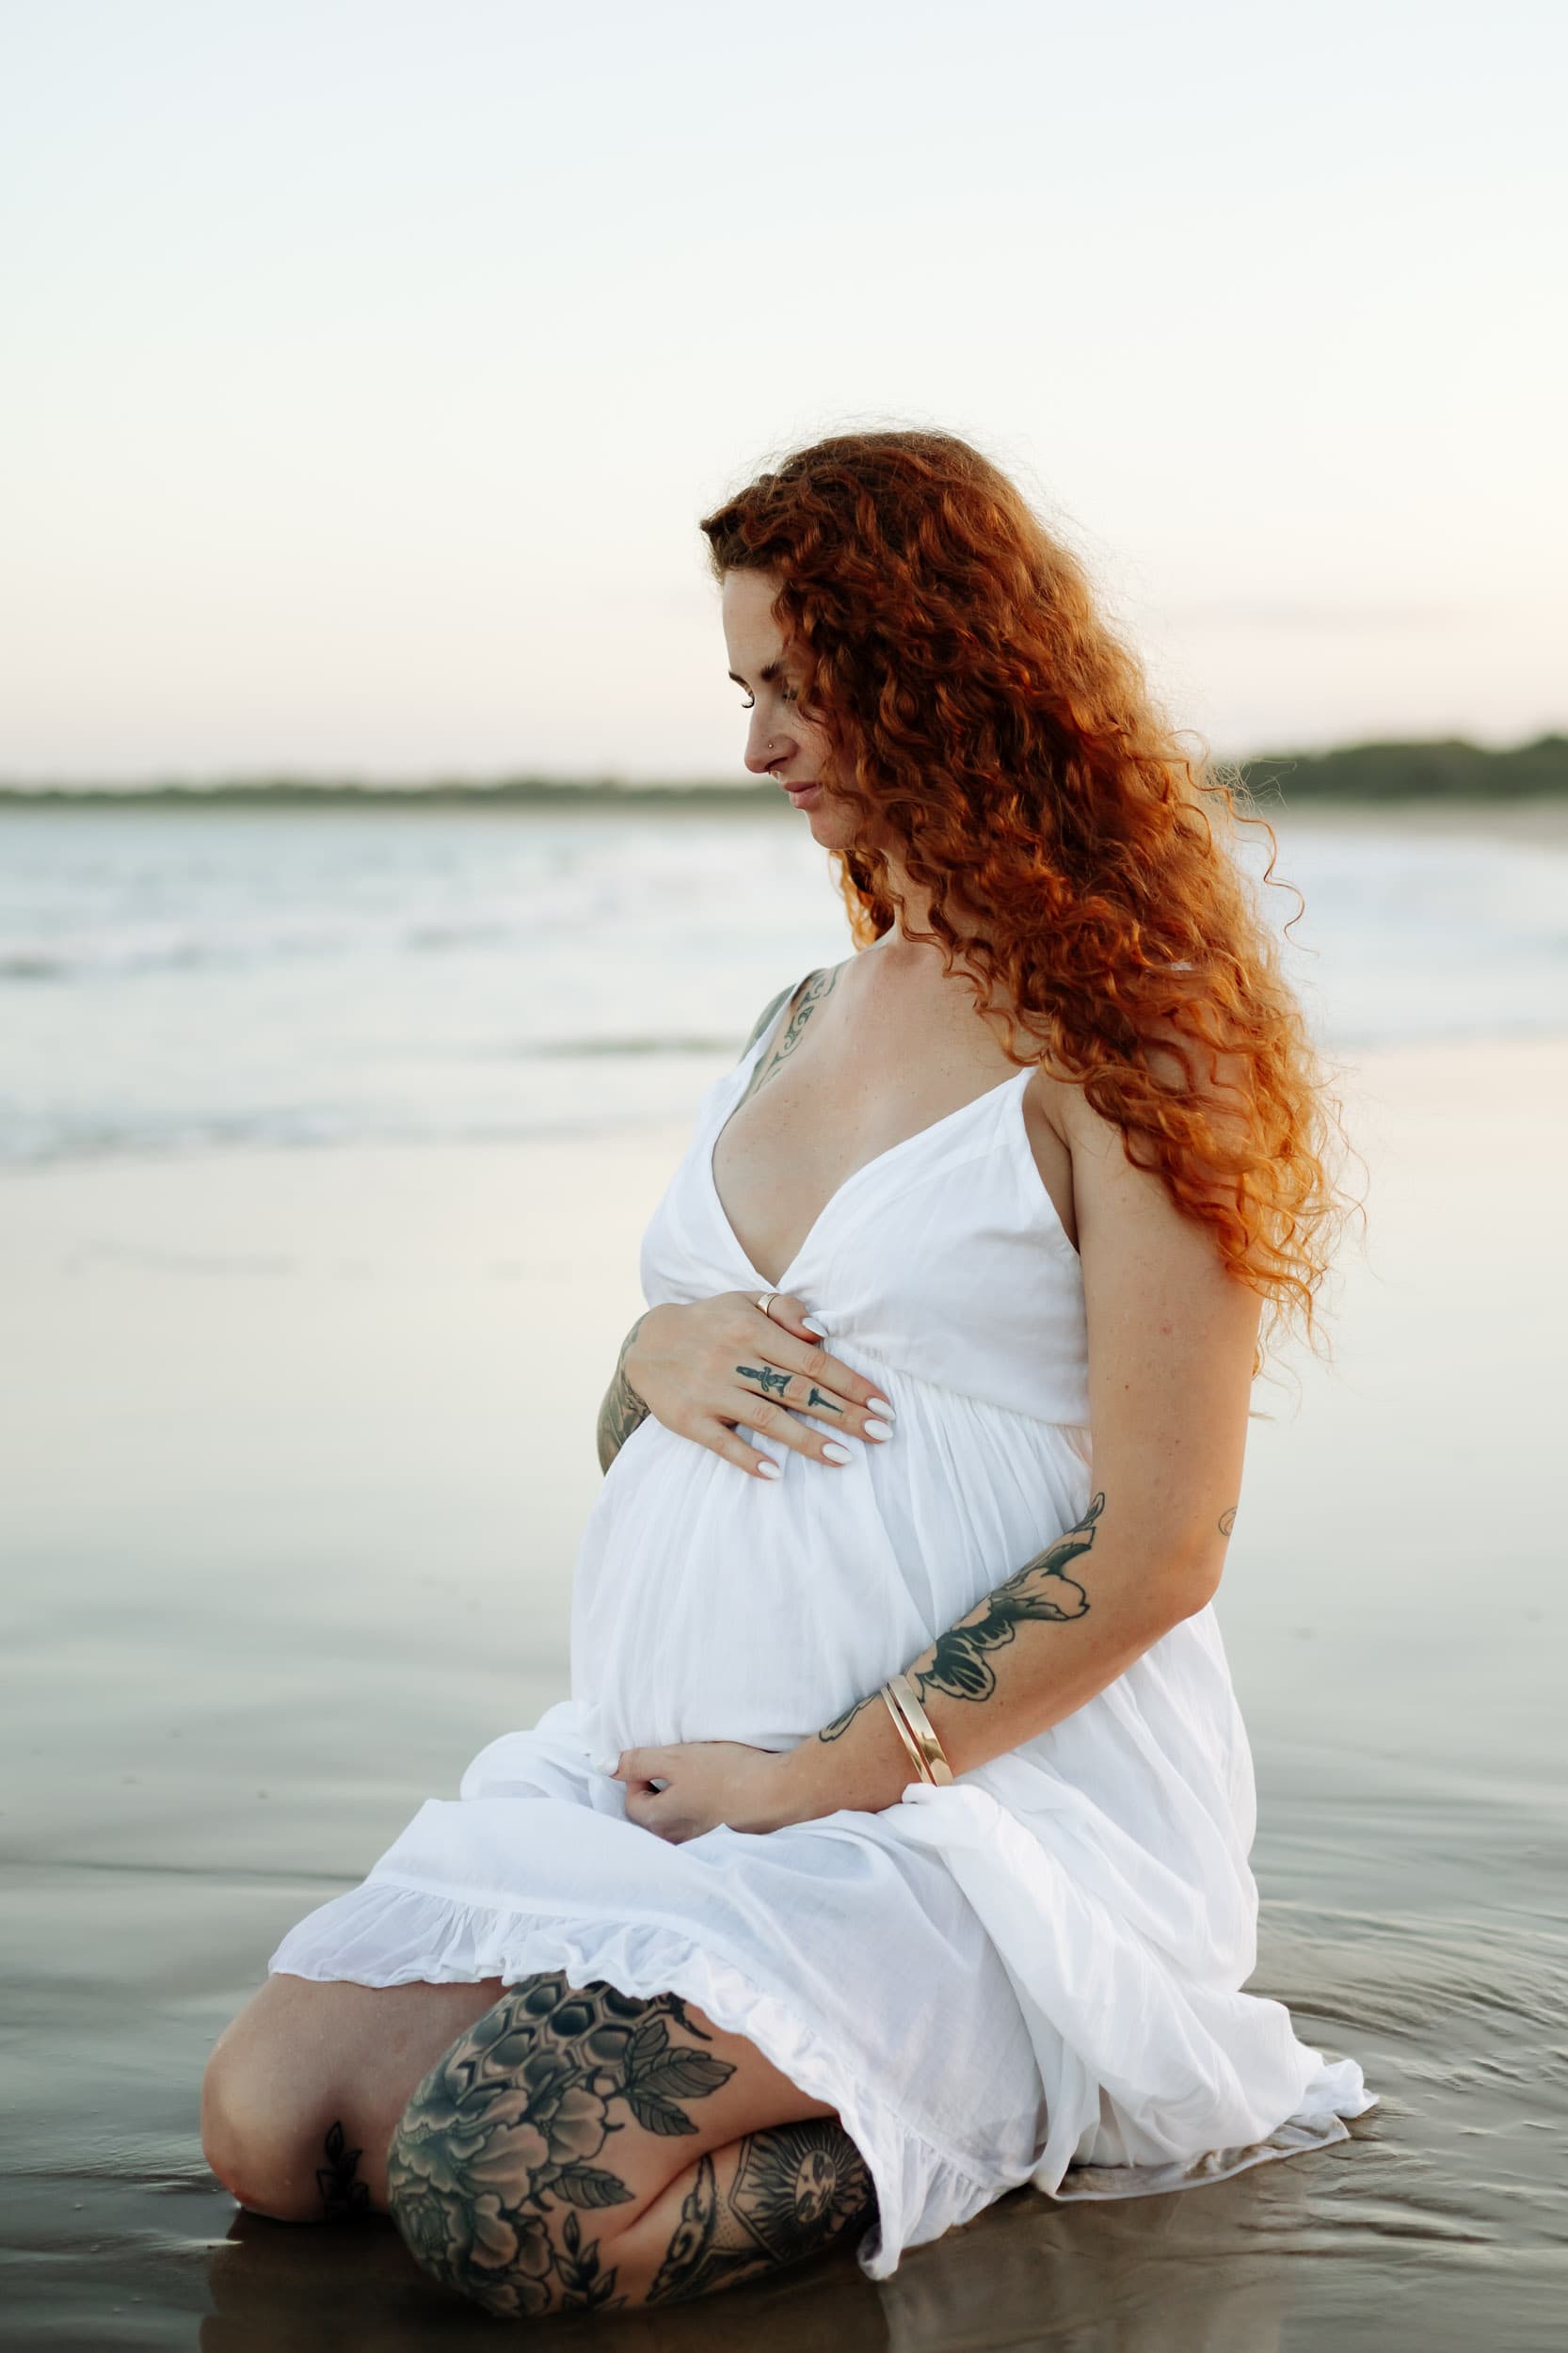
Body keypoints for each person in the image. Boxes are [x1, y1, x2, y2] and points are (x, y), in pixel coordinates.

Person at [200, 429, 1376, 2320]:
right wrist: (645, 1347)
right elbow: (652, 1426)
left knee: (511, 2196)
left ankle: (1004, 2116)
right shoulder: (797, 1016)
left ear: (963, 678)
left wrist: (808, 1779)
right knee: (276, 2129)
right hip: (661, 1767)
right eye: (744, 689)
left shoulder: (1134, 1036)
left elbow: (1168, 1539)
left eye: (803, 692)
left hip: (954, 1811)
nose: (757, 747)